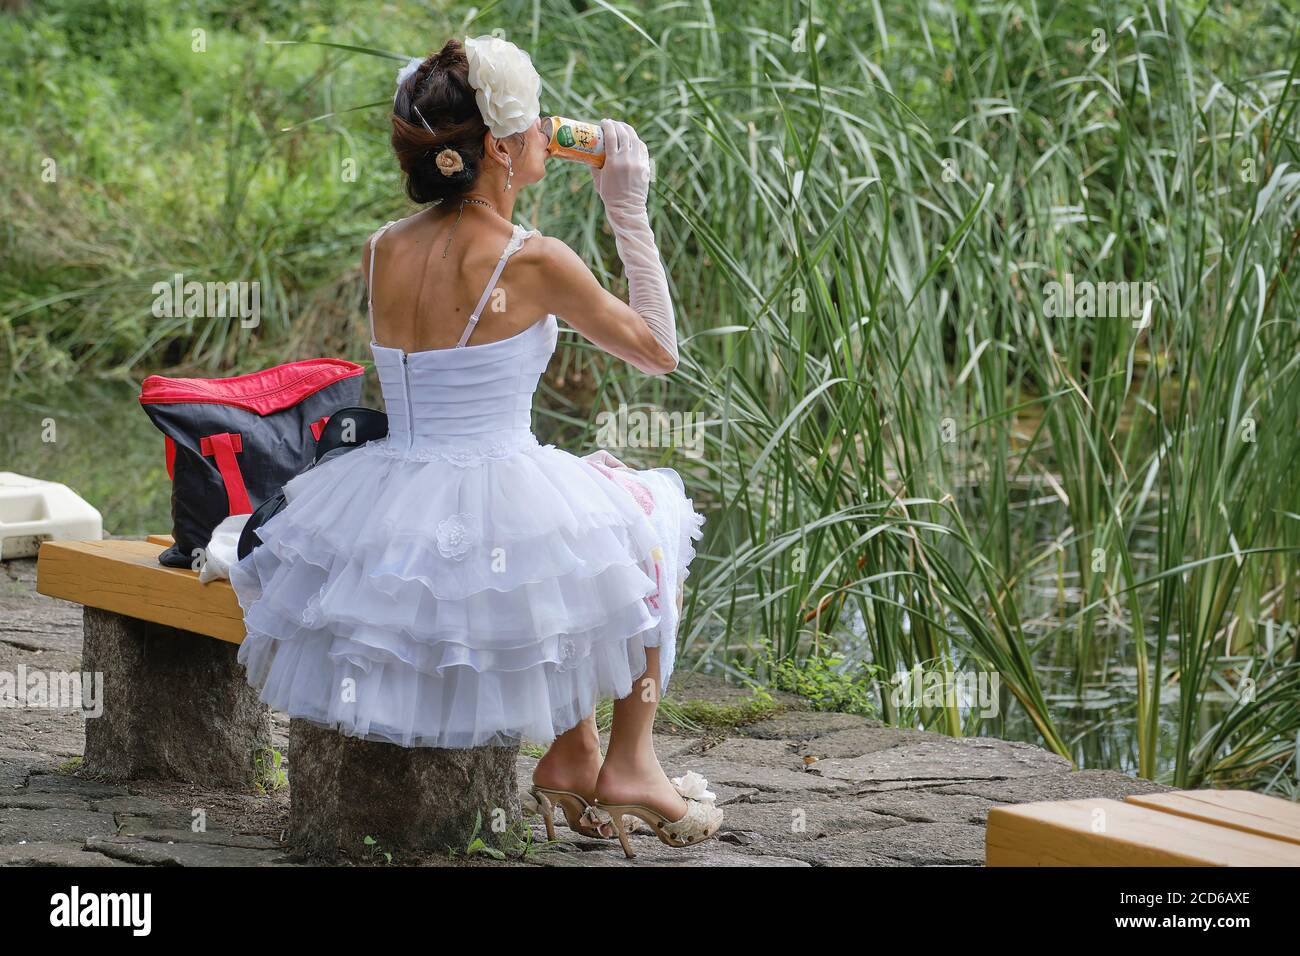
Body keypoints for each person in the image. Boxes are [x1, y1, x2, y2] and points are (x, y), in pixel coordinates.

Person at [229, 35, 721, 857]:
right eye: (534, 129)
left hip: (386, 492)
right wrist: (626, 206)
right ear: (499, 147)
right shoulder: (534, 260)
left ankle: (573, 751)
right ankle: (630, 759)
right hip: (492, 484)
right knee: (652, 509)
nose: (545, 140)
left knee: (570, 544)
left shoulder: (382, 245)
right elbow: (659, 350)